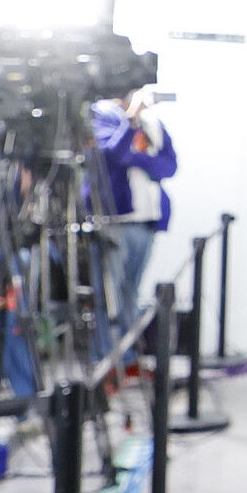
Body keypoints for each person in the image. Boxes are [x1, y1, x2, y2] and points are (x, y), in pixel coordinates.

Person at [92, 89, 177, 336]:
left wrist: (136, 159)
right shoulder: (102, 115)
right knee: (108, 296)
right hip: (114, 221)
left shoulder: (154, 124)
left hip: (146, 222)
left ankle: (128, 357)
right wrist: (131, 121)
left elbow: (169, 166)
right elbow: (115, 155)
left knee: (132, 293)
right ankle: (107, 357)